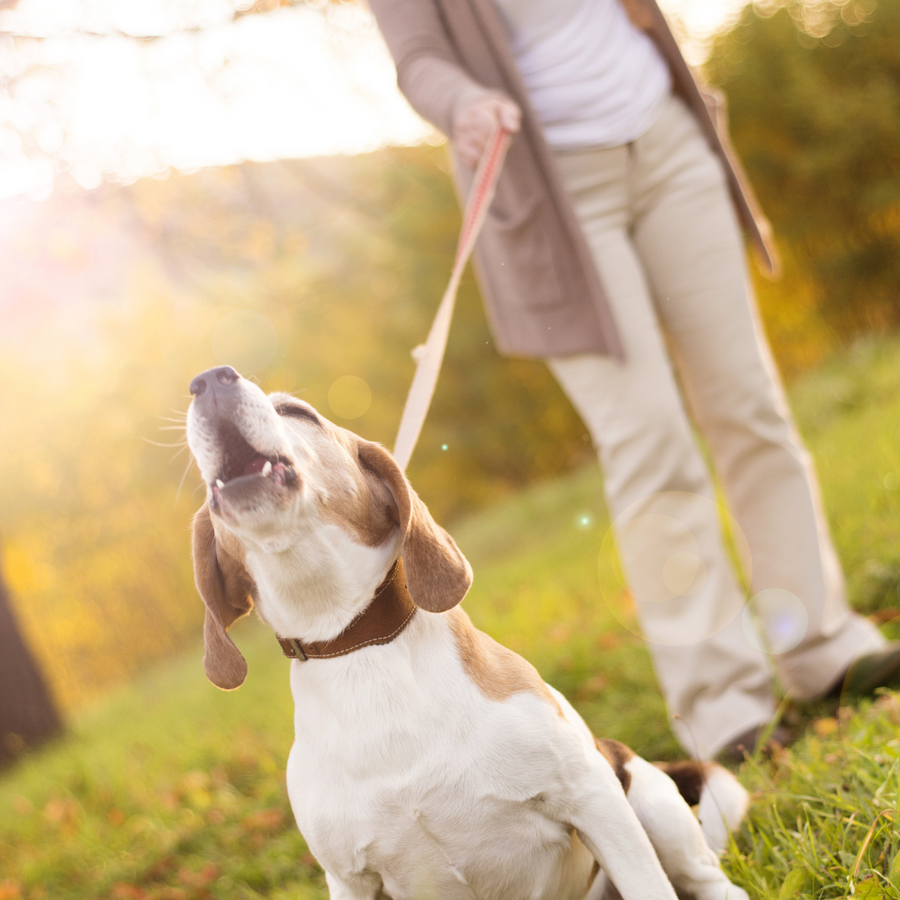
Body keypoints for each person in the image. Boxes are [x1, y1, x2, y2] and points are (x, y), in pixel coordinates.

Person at [367, 0, 900, 761]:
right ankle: (725, 708)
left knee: (749, 407)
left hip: (665, 135)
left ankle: (822, 646)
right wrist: (464, 103)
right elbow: (416, 55)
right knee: (650, 442)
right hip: (552, 192)